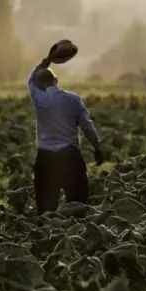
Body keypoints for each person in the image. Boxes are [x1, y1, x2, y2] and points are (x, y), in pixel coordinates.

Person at [27, 51, 106, 213]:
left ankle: (47, 237)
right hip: (69, 156)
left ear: (41, 85)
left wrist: (44, 64)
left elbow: (30, 82)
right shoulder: (73, 99)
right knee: (78, 204)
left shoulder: (39, 98)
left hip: (46, 157)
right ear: (56, 80)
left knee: (45, 208)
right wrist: (97, 147)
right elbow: (86, 126)